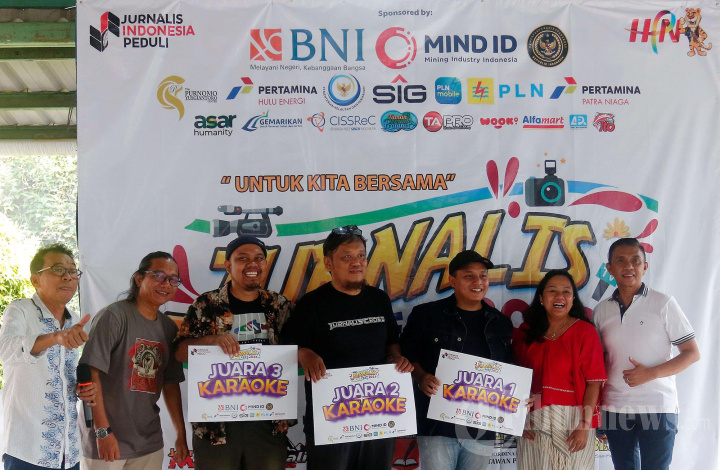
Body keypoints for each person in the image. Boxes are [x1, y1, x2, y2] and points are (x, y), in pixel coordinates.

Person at [281, 225, 413, 470]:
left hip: (378, 416)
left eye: (361, 255)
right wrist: (303, 352)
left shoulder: (378, 299)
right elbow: (287, 347)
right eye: (347, 256)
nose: (357, 262)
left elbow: (391, 343)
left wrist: (396, 358)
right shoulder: (312, 304)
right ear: (328, 263)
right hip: (331, 420)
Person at [174, 235, 294, 470]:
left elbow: (300, 347)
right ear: (228, 265)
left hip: (267, 423)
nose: (252, 264)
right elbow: (179, 352)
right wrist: (211, 341)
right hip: (216, 426)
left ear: (265, 264)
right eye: (243, 258)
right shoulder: (207, 304)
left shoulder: (279, 305)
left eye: (258, 258)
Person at [399, 250, 513, 470]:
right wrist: (421, 377)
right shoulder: (426, 315)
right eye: (469, 276)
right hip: (437, 426)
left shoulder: (500, 322)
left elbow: (508, 370)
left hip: (482, 427)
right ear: (452, 280)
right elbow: (406, 354)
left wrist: (518, 395)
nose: (478, 282)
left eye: (483, 276)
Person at [593, 238, 700, 470]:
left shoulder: (663, 303)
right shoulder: (601, 311)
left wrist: (651, 373)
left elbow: (691, 353)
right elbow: (598, 364)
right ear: (609, 268)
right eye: (620, 261)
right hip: (615, 407)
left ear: (645, 267)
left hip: (658, 407)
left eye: (635, 260)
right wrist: (597, 409)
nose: (628, 266)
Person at [79, 252, 188, 470]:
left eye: (173, 279)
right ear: (139, 279)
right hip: (108, 441)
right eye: (159, 276)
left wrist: (181, 435)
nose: (166, 284)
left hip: (149, 443)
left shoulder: (168, 327)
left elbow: (170, 384)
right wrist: (103, 432)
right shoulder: (114, 316)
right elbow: (91, 375)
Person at [0, 244, 96, 470]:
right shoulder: (20, 310)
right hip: (27, 448)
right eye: (58, 269)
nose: (68, 277)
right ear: (35, 280)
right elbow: (5, 349)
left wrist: (82, 389)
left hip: (68, 450)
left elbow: (62, 375)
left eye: (72, 271)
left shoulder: (75, 320)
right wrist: (55, 337)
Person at [513, 270, 606, 470]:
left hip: (574, 421)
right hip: (533, 421)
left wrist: (584, 426)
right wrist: (517, 420)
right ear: (541, 298)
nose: (559, 296)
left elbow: (594, 383)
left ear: (573, 299)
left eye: (566, 291)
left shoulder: (585, 331)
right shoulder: (525, 333)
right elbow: (514, 381)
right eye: (552, 291)